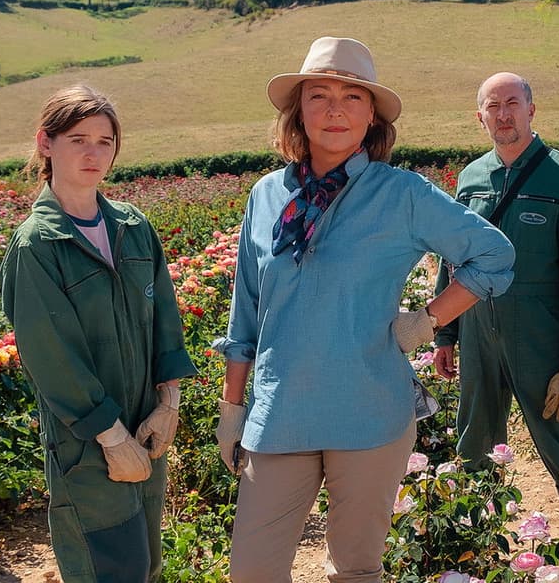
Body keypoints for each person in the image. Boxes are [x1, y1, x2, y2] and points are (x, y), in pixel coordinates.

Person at [211, 37, 515, 583]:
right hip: (280, 413)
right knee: (251, 572)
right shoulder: (266, 195)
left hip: (370, 412)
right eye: (319, 95)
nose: (335, 109)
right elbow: (245, 314)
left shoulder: (401, 194)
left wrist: (425, 322)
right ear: (298, 111)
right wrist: (232, 409)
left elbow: (494, 255)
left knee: (354, 571)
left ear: (371, 115)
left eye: (352, 96)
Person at [0, 84, 198, 583]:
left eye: (104, 142)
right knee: (109, 567)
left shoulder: (133, 226)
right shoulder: (38, 246)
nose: (93, 154)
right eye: (78, 140)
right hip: (86, 443)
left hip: (145, 426)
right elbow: (52, 357)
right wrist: (110, 436)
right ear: (46, 143)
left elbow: (165, 319)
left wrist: (168, 403)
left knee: (147, 564)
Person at [432, 72, 559, 571]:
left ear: (531, 109)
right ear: (479, 117)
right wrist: (444, 333)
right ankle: (474, 565)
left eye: (512, 103)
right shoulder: (471, 179)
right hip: (477, 330)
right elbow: (451, 259)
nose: (503, 114)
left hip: (539, 333)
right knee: (473, 443)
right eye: (493, 106)